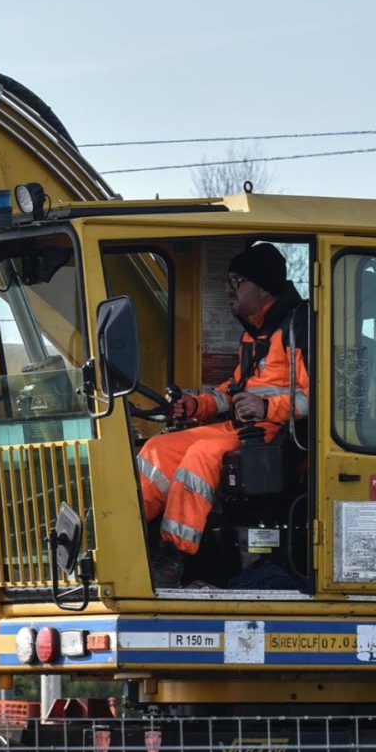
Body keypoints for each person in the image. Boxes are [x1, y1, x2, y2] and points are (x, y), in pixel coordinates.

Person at [135, 241, 310, 584]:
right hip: (243, 428)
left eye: (236, 281)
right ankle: (129, 533)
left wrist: (267, 406)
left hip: (277, 434)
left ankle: (173, 555)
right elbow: (232, 389)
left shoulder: (297, 328)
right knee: (158, 448)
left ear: (261, 288)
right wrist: (196, 406)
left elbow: (316, 397)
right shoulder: (255, 334)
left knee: (202, 453)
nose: (228, 290)